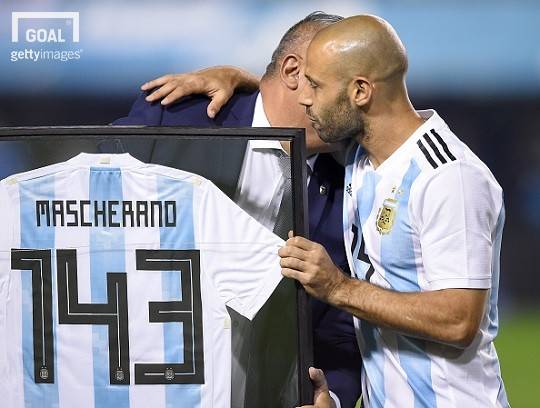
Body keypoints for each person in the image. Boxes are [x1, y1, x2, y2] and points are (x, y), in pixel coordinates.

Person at [113, 12, 362, 408]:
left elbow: (340, 330)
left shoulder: (354, 182)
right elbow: (86, 211)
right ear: (294, 72)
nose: (360, 106)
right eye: (348, 89)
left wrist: (331, 396)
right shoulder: (177, 118)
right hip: (147, 376)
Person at [277, 14, 509, 408]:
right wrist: (233, 78)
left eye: (315, 85)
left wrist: (337, 287)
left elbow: (459, 320)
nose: (304, 98)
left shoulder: (448, 178)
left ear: (360, 92)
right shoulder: (359, 155)